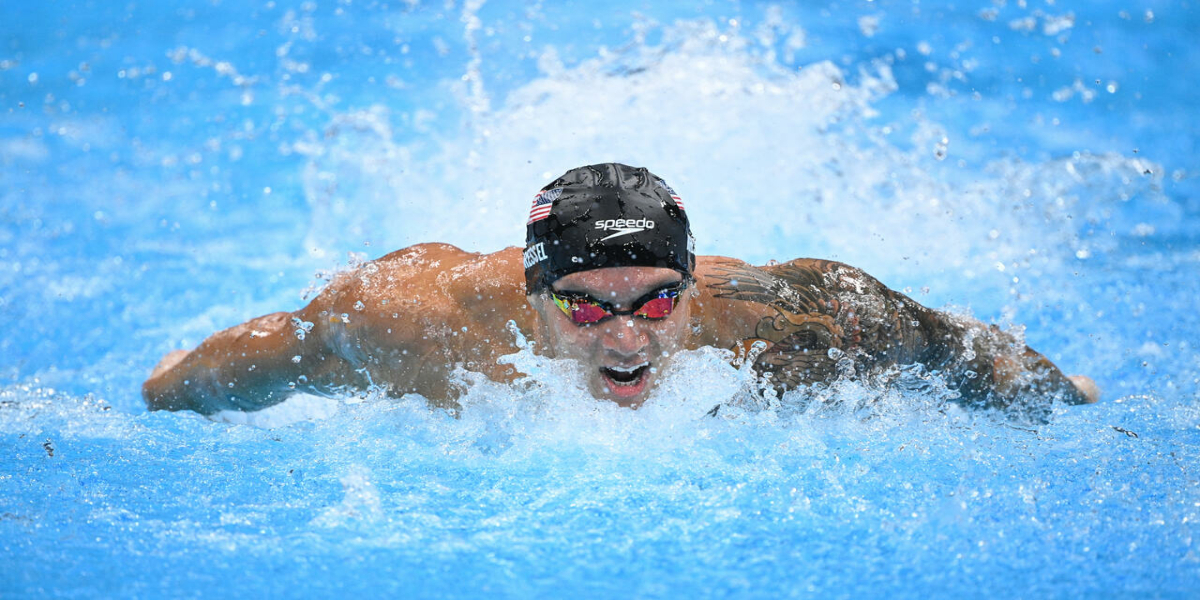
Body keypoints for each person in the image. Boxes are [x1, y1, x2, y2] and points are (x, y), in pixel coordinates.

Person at [143, 163, 1099, 417]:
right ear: (532, 294)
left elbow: (938, 340)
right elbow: (282, 350)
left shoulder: (777, 317)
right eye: (587, 304)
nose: (628, 337)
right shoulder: (417, 326)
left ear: (690, 283)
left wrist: (1056, 390)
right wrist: (173, 383)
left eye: (654, 301)